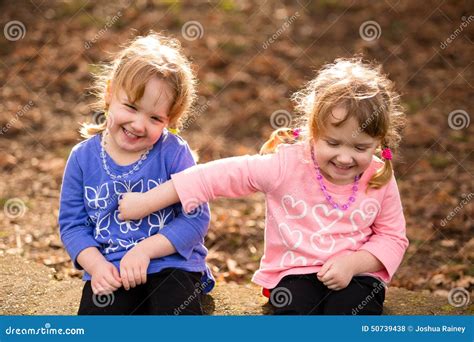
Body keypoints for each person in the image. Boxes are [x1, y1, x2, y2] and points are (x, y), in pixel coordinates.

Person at [118, 57, 409, 315]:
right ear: (313, 132)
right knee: (295, 309)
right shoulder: (287, 164)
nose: (345, 157)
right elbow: (214, 177)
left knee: (353, 310)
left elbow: (393, 237)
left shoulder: (378, 175)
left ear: (379, 142)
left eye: (360, 147)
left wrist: (354, 264)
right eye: (332, 143)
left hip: (357, 276)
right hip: (294, 273)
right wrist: (146, 202)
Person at [58, 31, 213, 315]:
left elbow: (196, 219)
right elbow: (73, 226)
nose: (139, 125)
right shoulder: (82, 158)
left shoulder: (174, 153)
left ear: (170, 120)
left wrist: (144, 251)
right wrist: (96, 266)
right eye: (131, 107)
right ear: (109, 93)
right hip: (111, 267)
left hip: (171, 263)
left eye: (155, 118)